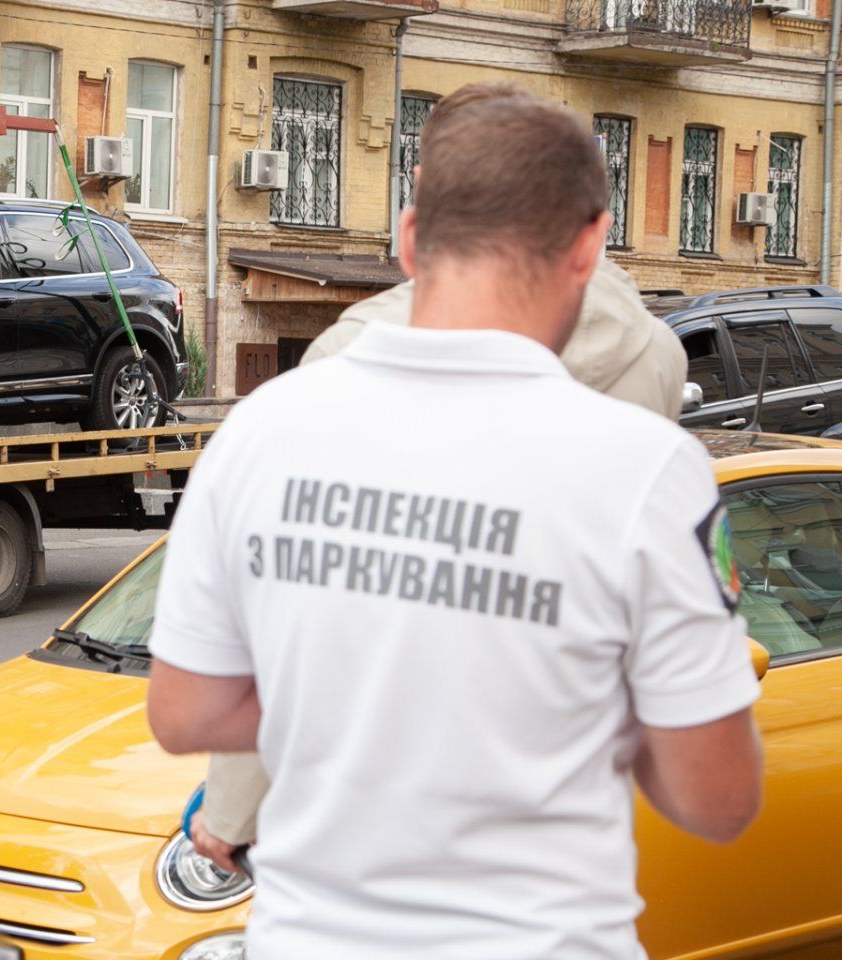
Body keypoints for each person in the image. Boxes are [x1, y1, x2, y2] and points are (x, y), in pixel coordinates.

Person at [145, 92, 763, 959]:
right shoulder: (654, 466)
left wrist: (355, 715)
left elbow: (182, 711)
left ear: (408, 236)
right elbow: (718, 798)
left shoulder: (264, 426)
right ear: (589, 243)